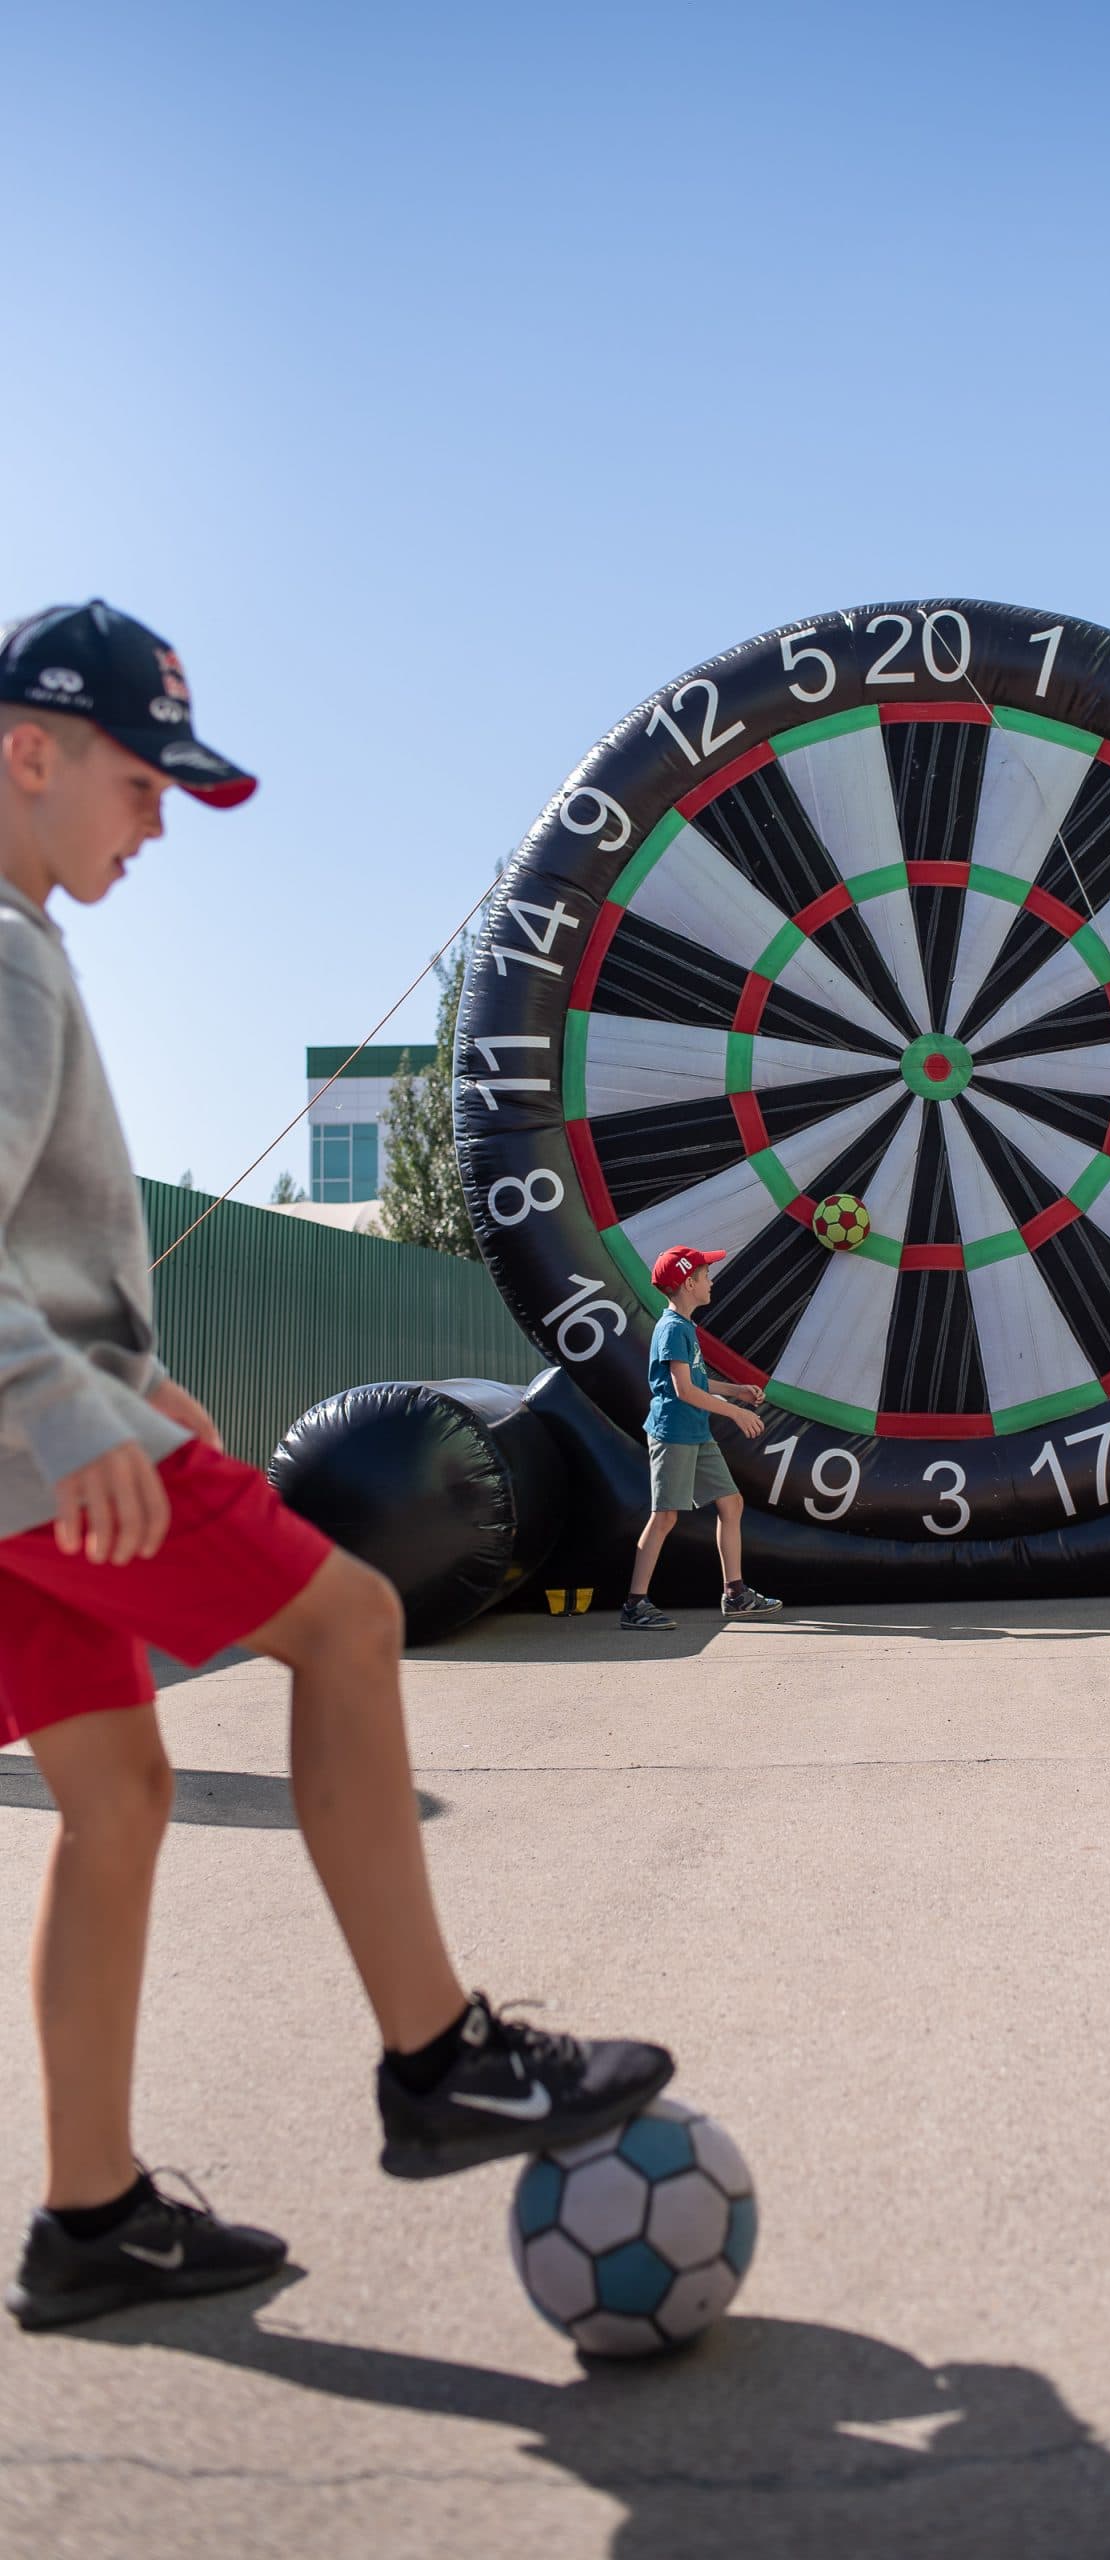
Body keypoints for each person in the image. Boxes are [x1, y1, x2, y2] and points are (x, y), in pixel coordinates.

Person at [0, 600, 674, 2332]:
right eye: (144, 782)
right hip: (37, 1462)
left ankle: (92, 2217)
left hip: (34, 1453)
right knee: (352, 1623)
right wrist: (81, 1416)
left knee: (119, 1796)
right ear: (31, 751)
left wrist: (135, 1382)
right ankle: (439, 2055)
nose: (156, 824)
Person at [619, 1246, 782, 1632]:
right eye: (706, 1276)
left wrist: (736, 1391)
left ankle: (736, 1594)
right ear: (689, 1283)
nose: (711, 1282)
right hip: (674, 1433)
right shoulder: (673, 1329)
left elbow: (697, 1382)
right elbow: (683, 1391)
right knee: (665, 1517)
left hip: (696, 1431)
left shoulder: (685, 1327)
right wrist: (736, 1412)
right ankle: (634, 1604)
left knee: (732, 1503)